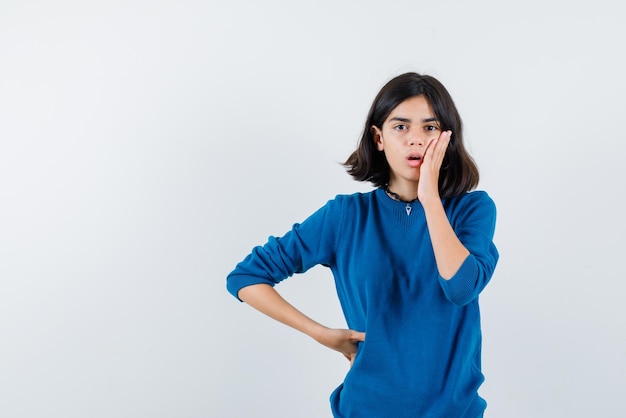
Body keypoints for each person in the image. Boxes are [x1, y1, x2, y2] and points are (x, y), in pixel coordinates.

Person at [226, 72, 499, 418]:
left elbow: (460, 287)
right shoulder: (345, 216)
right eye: (401, 127)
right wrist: (321, 333)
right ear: (378, 137)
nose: (416, 140)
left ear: (447, 138)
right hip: (366, 408)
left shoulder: (472, 210)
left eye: (430, 128)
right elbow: (246, 278)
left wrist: (430, 197)